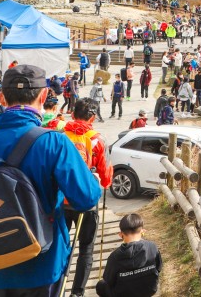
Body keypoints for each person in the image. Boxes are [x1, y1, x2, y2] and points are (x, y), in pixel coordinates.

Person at [0, 64, 102, 296]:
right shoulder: (54, 143)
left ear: (1, 98)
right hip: (44, 263)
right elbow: (86, 198)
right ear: (43, 96)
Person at [62, 98, 113, 297]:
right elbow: (106, 175)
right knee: (86, 248)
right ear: (93, 117)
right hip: (86, 201)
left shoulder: (60, 136)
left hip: (62, 199)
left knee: (62, 244)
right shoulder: (98, 140)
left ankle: (58, 285)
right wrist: (106, 182)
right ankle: (78, 292)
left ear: (72, 114)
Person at [95, 213, 162, 297]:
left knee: (100, 285)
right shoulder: (152, 246)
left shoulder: (114, 257)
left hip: (122, 294)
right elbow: (158, 268)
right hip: (149, 290)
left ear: (121, 234)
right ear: (142, 231)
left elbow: (109, 281)